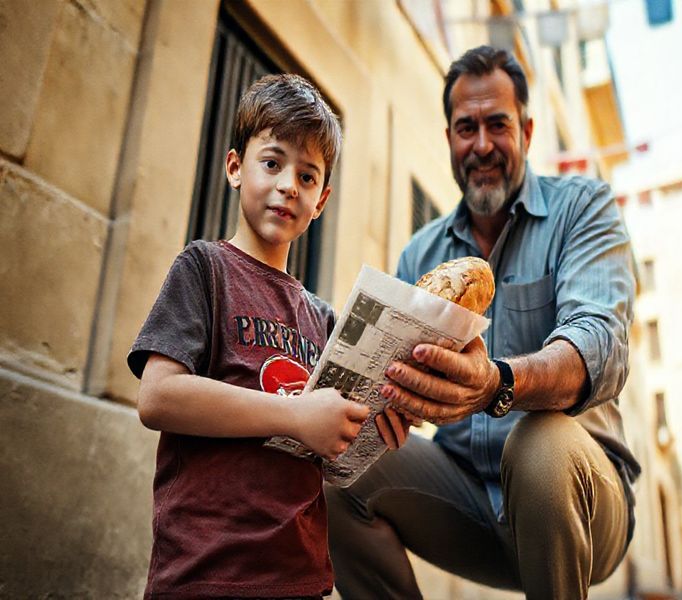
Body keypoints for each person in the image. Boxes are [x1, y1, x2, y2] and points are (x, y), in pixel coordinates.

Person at [326, 46, 641, 600]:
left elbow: (601, 344)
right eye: (466, 128)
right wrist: (381, 405)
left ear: (527, 129)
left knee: (539, 443)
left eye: (498, 124)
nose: (482, 145)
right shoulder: (420, 256)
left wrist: (498, 383)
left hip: (580, 503)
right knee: (336, 474)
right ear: (449, 137)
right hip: (466, 498)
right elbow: (394, 394)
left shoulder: (584, 207)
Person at [127, 74, 409, 599]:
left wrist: (374, 430)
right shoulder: (204, 269)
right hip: (204, 570)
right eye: (273, 163)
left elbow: (328, 459)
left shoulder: (325, 320)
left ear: (321, 201)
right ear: (236, 167)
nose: (287, 186)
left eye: (307, 177)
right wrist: (294, 414)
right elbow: (158, 397)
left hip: (299, 576)